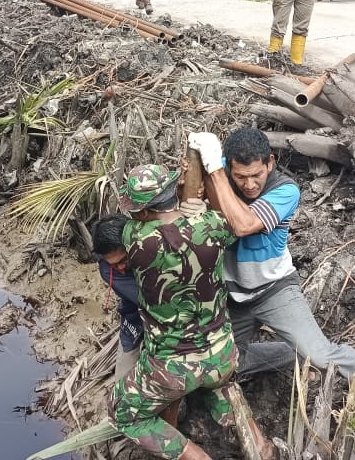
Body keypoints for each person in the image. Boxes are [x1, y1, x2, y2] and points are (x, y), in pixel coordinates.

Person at [186, 128, 355, 436]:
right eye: (240, 177)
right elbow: (187, 200)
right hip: (231, 296)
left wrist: (214, 172)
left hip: (273, 290)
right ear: (228, 166)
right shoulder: (222, 177)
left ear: (270, 162)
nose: (250, 184)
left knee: (320, 356)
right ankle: (290, 351)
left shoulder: (284, 190)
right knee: (223, 367)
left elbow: (243, 225)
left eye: (256, 175)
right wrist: (192, 195)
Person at [108, 164, 277, 460]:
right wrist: (199, 203)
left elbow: (164, 228)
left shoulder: (134, 238)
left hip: (171, 368)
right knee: (216, 384)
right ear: (173, 192)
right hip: (223, 355)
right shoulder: (213, 224)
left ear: (144, 212)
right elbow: (222, 224)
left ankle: (195, 456)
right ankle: (258, 442)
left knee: (121, 412)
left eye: (136, 209)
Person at [92, 214, 144, 380]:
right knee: (123, 383)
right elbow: (149, 301)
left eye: (123, 260)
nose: (120, 268)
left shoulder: (147, 246)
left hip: (169, 327)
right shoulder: (107, 270)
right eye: (114, 264)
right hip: (136, 322)